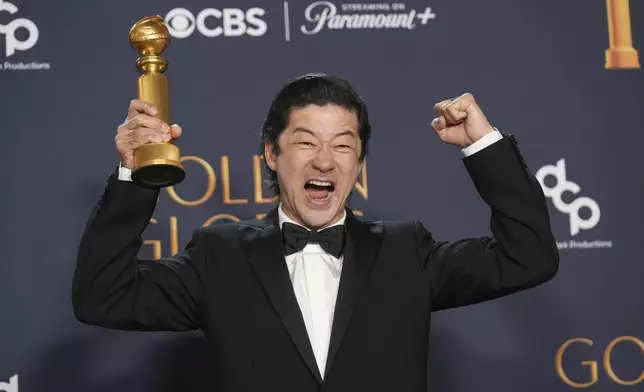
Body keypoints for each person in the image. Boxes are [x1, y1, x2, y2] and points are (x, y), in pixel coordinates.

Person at [72, 73, 559, 392]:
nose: (324, 160)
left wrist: (484, 146)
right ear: (271, 154)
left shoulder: (406, 251)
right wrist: (136, 175)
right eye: (305, 142)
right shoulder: (218, 256)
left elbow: (529, 256)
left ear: (358, 163)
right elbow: (102, 296)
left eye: (342, 145)